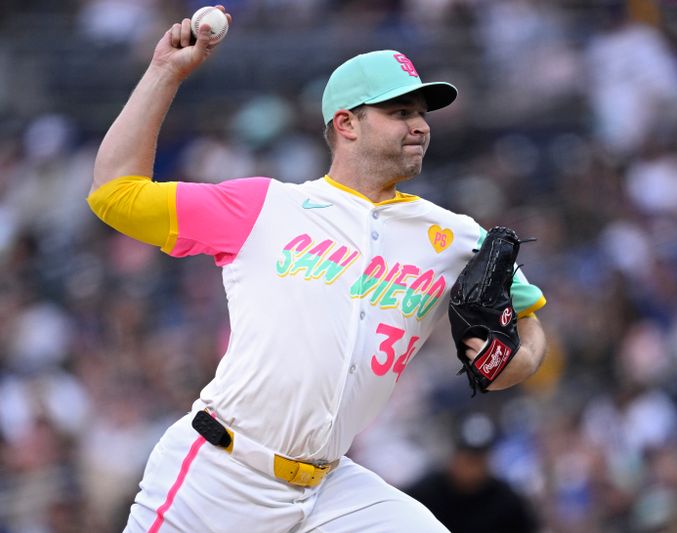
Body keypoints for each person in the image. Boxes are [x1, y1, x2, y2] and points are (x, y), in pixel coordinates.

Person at [88, 6, 547, 532]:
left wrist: (522, 360)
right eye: (399, 111)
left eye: (422, 112)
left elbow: (530, 322)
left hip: (329, 489)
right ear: (346, 123)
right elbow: (114, 194)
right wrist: (164, 72)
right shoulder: (264, 207)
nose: (419, 124)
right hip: (219, 473)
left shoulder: (456, 237)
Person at [407, 413, 540, 533]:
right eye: (469, 459)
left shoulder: (507, 503)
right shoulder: (423, 496)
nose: (474, 469)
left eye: (480, 459)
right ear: (454, 456)